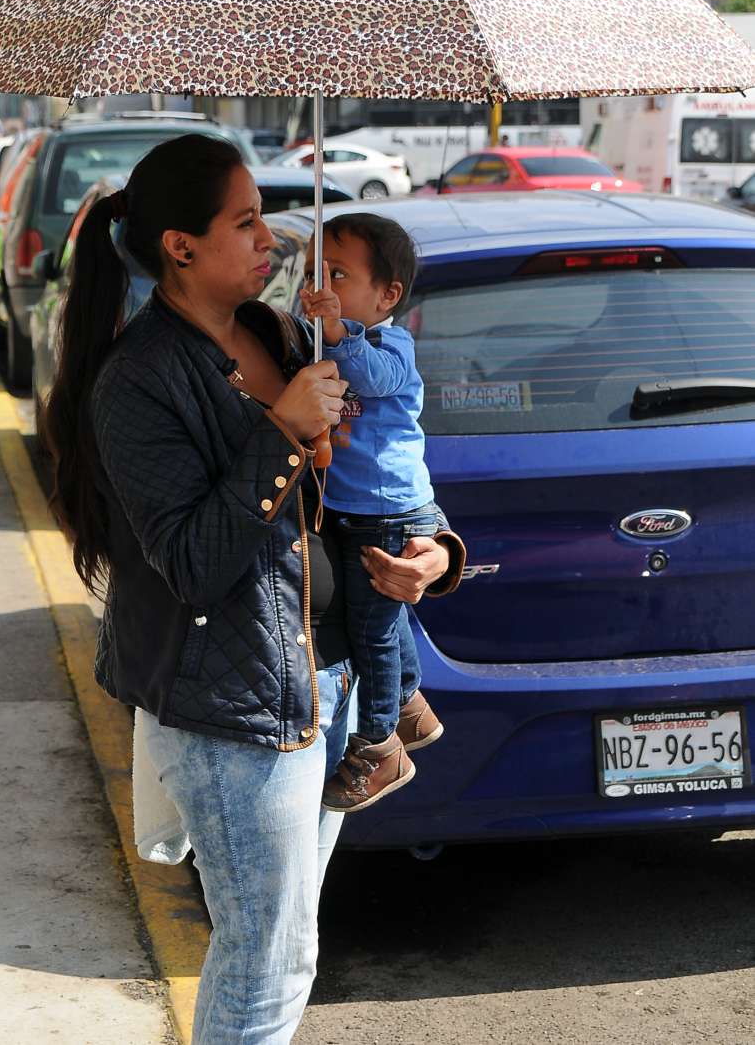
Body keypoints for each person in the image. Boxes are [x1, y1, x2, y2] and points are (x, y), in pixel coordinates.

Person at [40, 135, 462, 1045]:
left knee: (290, 947)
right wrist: (280, 434)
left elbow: (372, 484)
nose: (269, 237)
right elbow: (191, 559)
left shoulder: (278, 332)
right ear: (181, 246)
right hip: (236, 711)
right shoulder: (140, 382)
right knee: (265, 957)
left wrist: (435, 550)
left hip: (334, 685)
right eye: (243, 221)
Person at [300, 213, 465, 814]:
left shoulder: (388, 343)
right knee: (382, 617)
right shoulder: (324, 333)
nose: (318, 285)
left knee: (372, 629)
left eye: (337, 274)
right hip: (355, 506)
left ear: (388, 295)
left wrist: (337, 330)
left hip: (388, 509)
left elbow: (371, 380)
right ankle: (412, 706)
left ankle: (381, 745)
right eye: (312, 270)